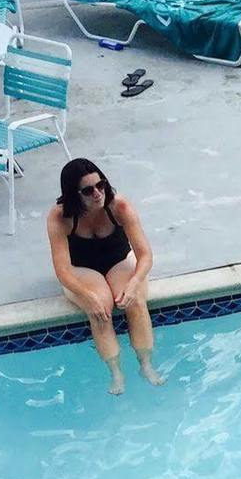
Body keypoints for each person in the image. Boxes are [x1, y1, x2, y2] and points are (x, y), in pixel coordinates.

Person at [46, 157, 162, 395]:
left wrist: (134, 283)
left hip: (118, 262)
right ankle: (116, 373)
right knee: (100, 310)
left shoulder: (119, 207)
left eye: (101, 185)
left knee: (135, 302)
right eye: (88, 190)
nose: (97, 193)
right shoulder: (60, 218)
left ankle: (146, 365)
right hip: (82, 270)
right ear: (73, 194)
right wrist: (87, 296)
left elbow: (145, 255)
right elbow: (63, 271)